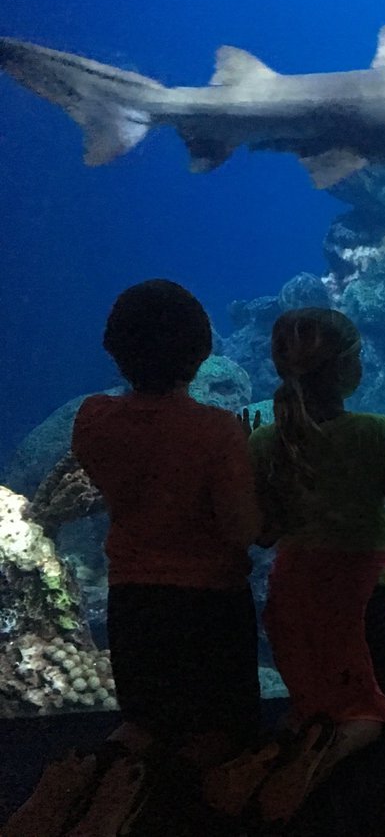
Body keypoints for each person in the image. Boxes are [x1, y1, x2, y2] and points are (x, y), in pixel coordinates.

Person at [4, 279, 263, 837]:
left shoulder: (93, 418)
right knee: (217, 734)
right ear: (200, 353)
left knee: (143, 722)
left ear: (114, 349)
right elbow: (243, 529)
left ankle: (91, 800)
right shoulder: (218, 431)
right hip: (210, 605)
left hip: (134, 600)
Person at [226, 308, 385, 826]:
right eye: (359, 354)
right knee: (376, 708)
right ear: (344, 369)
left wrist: (247, 457)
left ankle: (292, 773)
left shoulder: (263, 442)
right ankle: (354, 794)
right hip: (360, 601)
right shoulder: (374, 433)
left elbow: (264, 534)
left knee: (315, 704)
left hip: (293, 599)